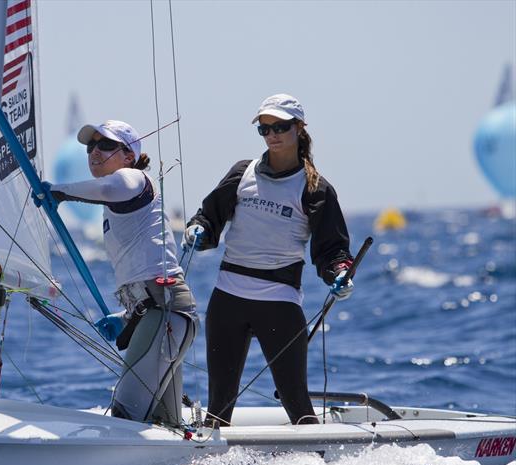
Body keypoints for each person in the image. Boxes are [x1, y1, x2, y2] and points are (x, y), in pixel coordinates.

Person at [185, 94, 354, 427]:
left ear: (299, 129)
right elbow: (210, 216)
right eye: (264, 128)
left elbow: (332, 249)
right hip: (228, 298)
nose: (272, 134)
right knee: (219, 404)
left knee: (295, 399)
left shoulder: (316, 188)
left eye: (280, 127)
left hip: (279, 300)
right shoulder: (241, 172)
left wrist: (340, 273)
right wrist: (197, 229)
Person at [38, 120, 197, 425]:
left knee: (126, 416)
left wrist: (59, 191)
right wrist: (126, 317)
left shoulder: (133, 178)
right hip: (157, 313)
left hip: (167, 313)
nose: (95, 151)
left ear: (129, 155)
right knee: (164, 424)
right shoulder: (116, 206)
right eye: (91, 146)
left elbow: (111, 187)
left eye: (106, 145)